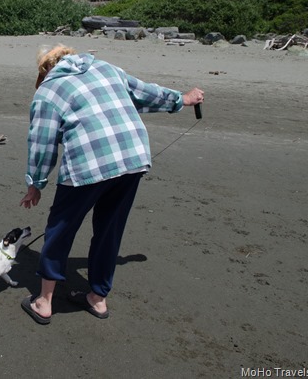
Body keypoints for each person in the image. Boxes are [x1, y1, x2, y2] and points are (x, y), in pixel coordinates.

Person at [19, 44, 204, 325]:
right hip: (132, 157)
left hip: (88, 164)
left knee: (60, 229)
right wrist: (182, 99)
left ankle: (44, 302)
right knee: (109, 230)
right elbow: (144, 93)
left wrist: (35, 183)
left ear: (45, 70)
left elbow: (42, 144)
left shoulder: (48, 91)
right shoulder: (106, 68)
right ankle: (98, 298)